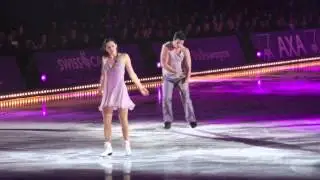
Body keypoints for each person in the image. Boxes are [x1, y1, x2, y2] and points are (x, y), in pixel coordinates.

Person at [98, 38, 149, 156]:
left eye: (112, 46)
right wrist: (101, 87)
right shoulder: (105, 58)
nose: (111, 49)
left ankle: (127, 145)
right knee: (107, 121)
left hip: (120, 91)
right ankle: (108, 147)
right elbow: (103, 75)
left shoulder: (124, 57)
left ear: (116, 45)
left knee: (123, 120)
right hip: (108, 91)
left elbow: (132, 73)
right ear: (105, 49)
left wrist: (140, 87)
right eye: (108, 47)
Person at [160, 31, 197, 129]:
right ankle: (167, 120)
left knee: (186, 98)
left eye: (181, 43)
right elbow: (164, 64)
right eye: (178, 42)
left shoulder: (185, 50)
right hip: (168, 77)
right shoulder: (166, 47)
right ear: (173, 40)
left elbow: (188, 67)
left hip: (181, 77)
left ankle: (191, 120)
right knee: (166, 99)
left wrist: (187, 79)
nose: (179, 45)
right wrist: (175, 72)